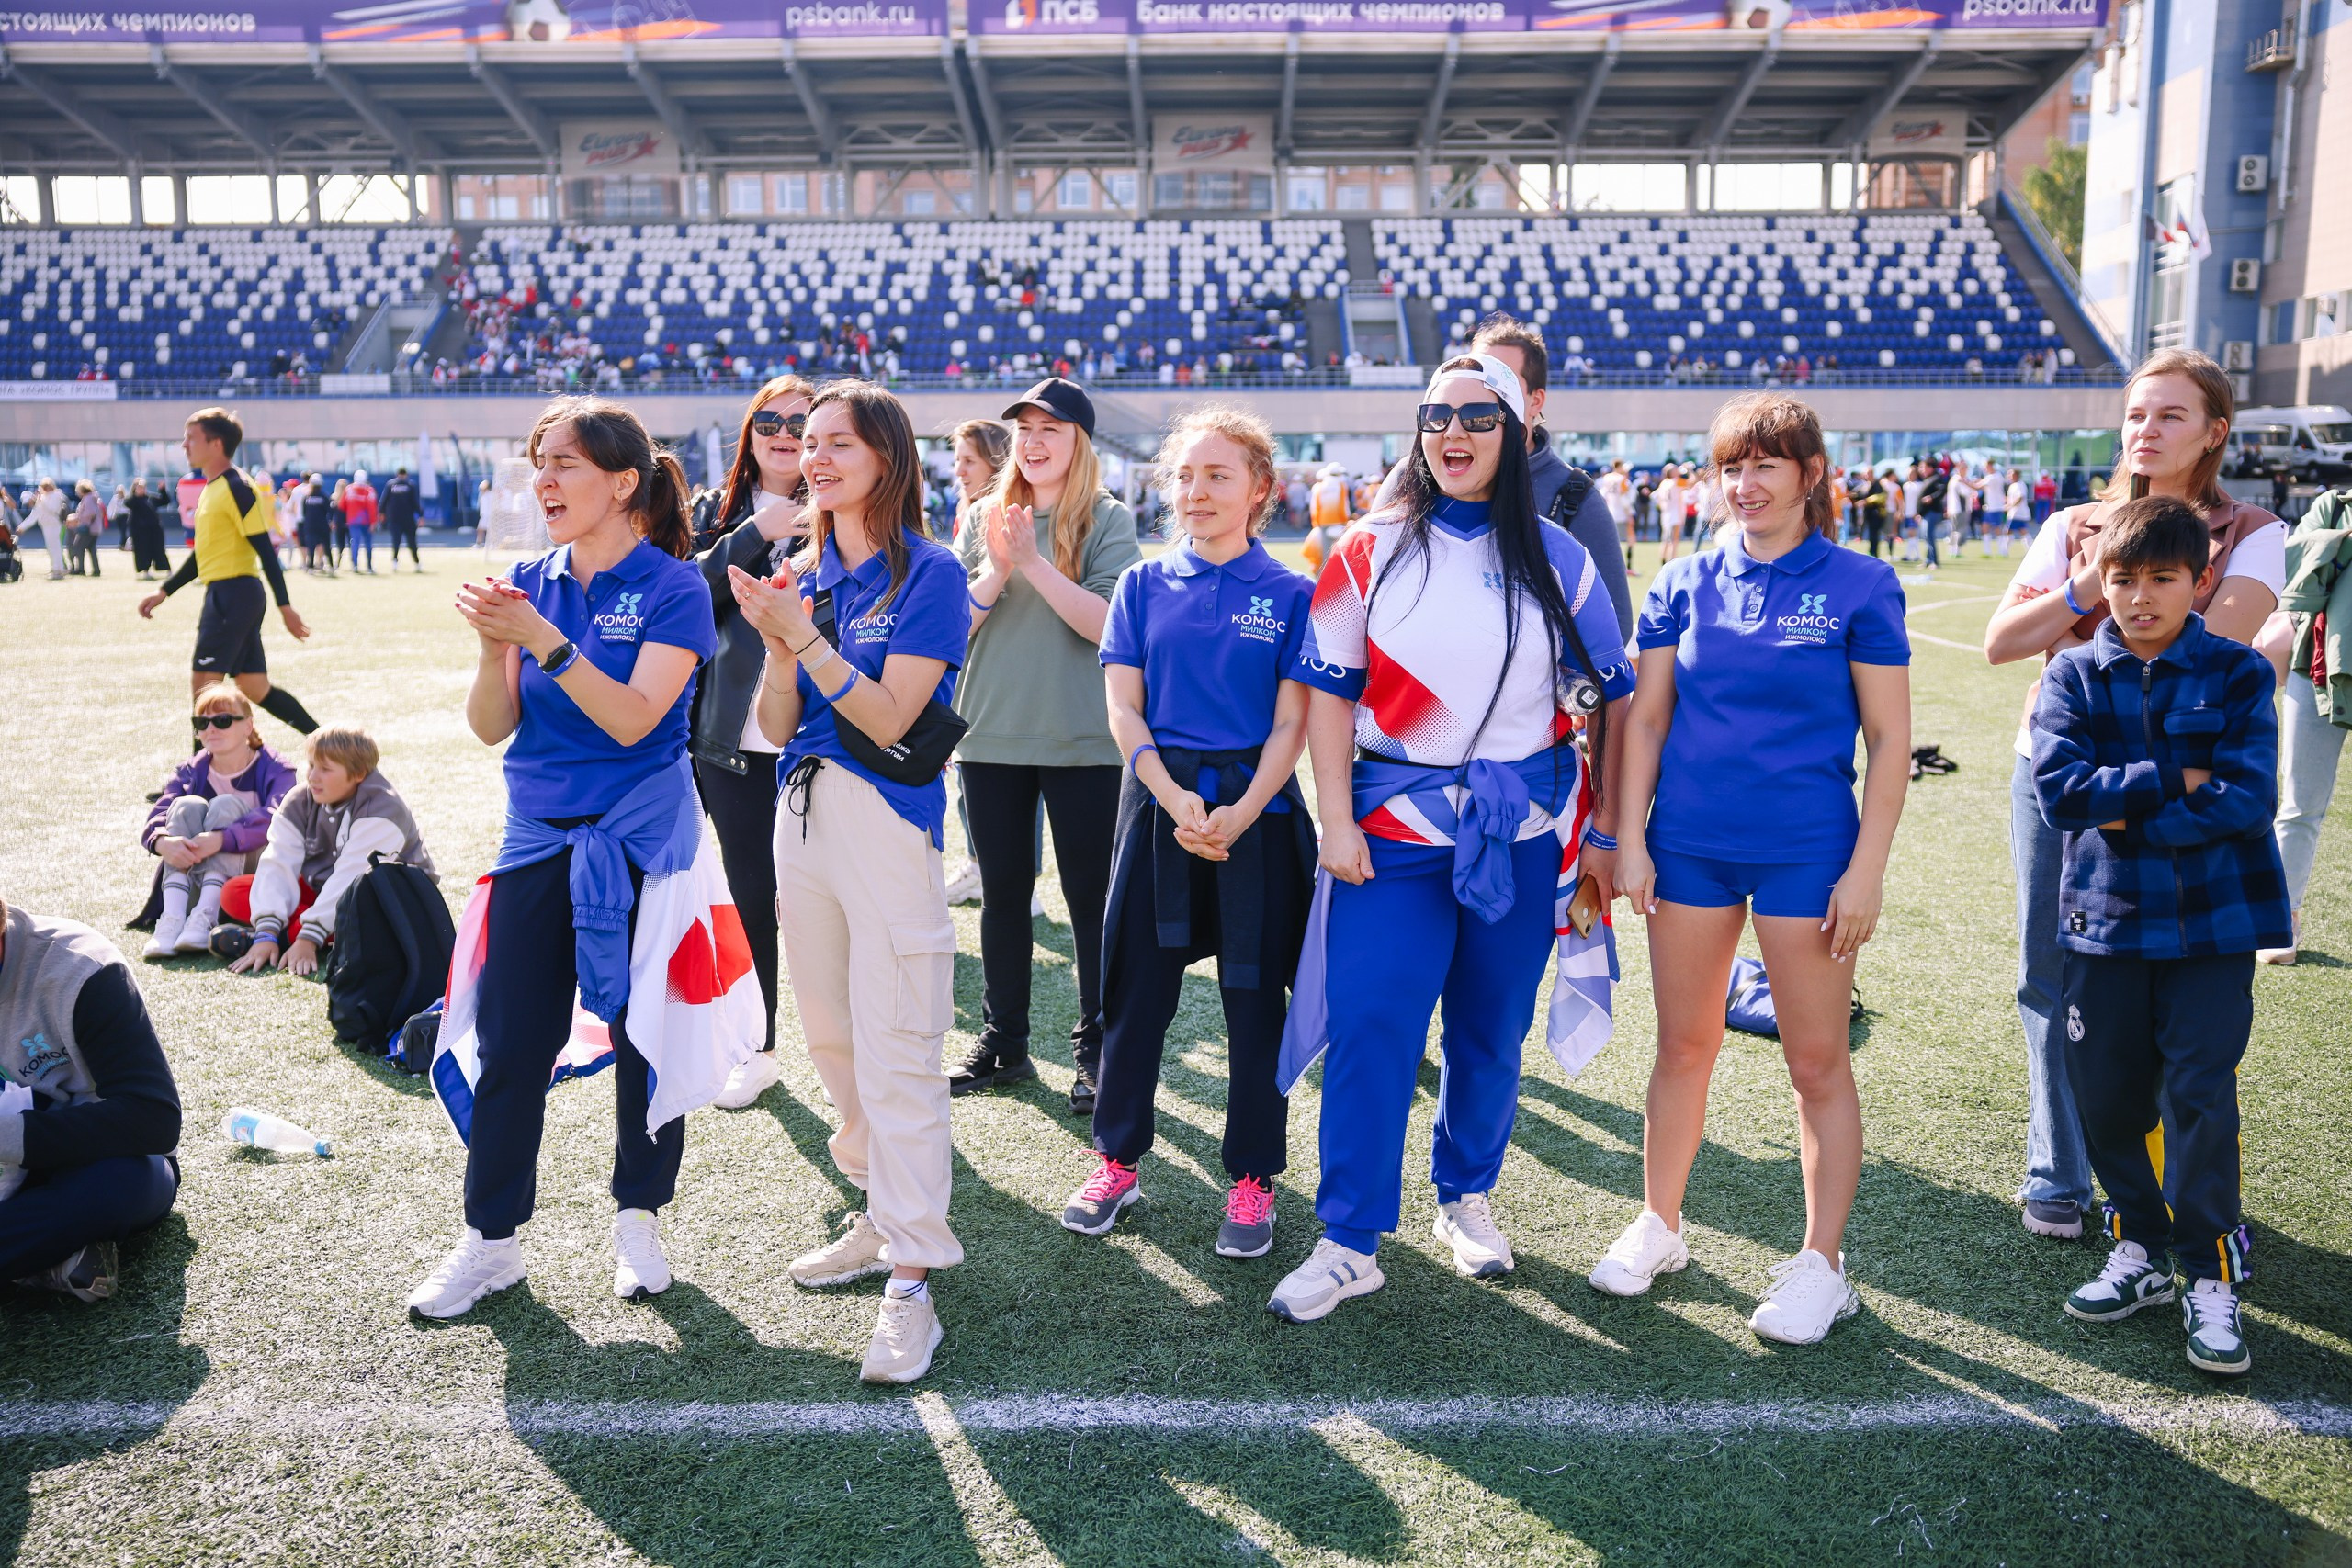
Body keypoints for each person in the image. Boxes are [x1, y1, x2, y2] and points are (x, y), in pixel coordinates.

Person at [1269, 353, 1634, 1324]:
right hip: (1387, 834)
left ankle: (1464, 1194)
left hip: (1521, 833)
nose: (1453, 433)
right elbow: (1327, 701)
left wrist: (1605, 831)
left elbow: (1615, 701)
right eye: (1435, 416)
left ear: (1514, 434)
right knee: (1372, 1021)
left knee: (1487, 1028)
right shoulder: (1365, 548)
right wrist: (1337, 822)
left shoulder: (1561, 561)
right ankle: (1348, 1239)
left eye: (1478, 415)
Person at [1592, 392, 1911, 1346]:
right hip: (1687, 843)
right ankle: (1661, 1225)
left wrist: (1865, 872)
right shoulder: (1681, 580)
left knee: (1815, 1062)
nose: (1745, 483)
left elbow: (1891, 743)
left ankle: (1822, 1265)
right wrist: (1633, 836)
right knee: (1683, 1046)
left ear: (1810, 475)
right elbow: (1644, 720)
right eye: (1731, 466)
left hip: (1807, 850)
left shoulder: (1860, 585)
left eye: (1766, 464)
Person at [408, 396, 717, 1321]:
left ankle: (639, 1225)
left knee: (646, 1043)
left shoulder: (675, 587)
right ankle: (491, 1243)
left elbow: (634, 717)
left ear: (623, 483)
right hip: (536, 842)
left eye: (565, 463)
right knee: (511, 1046)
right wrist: (487, 648)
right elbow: (491, 726)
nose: (543, 479)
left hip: (644, 844)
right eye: (538, 460)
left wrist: (541, 638)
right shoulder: (525, 579)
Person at [1982, 348, 2282, 1242]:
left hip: (2181, 795)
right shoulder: (2074, 525)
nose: (2144, 431)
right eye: (2136, 415)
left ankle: (2142, 1194)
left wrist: (2092, 619)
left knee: (2159, 986)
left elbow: (2201, 671)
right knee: (2049, 976)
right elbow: (2003, 641)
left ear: (2214, 432)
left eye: (2169, 416)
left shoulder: (2252, 530)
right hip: (2061, 783)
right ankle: (2057, 1176)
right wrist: (2090, 570)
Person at [727, 380, 970, 1385]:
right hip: (802, 809)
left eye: (838, 444)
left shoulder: (934, 574)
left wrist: (806, 635)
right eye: (806, 443)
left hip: (884, 818)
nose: (813, 458)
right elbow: (778, 725)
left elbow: (889, 720)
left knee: (900, 1041)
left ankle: (912, 1280)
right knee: (826, 1035)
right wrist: (783, 638)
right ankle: (879, 1211)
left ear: (887, 458)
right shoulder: (802, 570)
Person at [2031, 494, 2289, 1378]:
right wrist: (2175, 781)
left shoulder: (2239, 673)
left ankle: (2210, 1270)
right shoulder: (2071, 676)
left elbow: (2249, 799)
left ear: (2201, 579)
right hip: (2103, 928)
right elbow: (2062, 794)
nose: (2142, 597)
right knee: (2104, 1095)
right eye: (2124, 578)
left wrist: (2130, 815)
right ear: (2101, 584)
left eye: (2163, 578)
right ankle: (2138, 1242)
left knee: (2199, 1096)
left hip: (2214, 930)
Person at [1061, 406, 1316, 1260]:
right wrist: (1171, 797)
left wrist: (1243, 812)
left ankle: (1250, 1177)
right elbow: (1122, 708)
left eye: (1219, 475)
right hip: (1159, 805)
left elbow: (1291, 726)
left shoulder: (1291, 593)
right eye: (1185, 476)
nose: (1198, 492)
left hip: (1259, 813)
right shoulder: (1139, 585)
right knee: (1134, 998)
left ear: (1259, 491)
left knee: (1255, 1007)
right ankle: (1117, 1158)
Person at [949, 378, 1143, 1111]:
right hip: (990, 734)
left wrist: (1032, 562)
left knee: (1091, 902)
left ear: (1080, 443)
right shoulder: (984, 517)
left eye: (1050, 429)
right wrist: (998, 563)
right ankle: (1005, 1042)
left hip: (1085, 739)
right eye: (1024, 428)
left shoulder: (1108, 518)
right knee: (1002, 896)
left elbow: (1105, 625)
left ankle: (1096, 1048)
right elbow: (956, 626)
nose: (1032, 441)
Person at [687, 375, 815, 1110]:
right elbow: (684, 596)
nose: (783, 432)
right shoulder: (718, 512)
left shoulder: (846, 505)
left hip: (813, 740)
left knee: (823, 903)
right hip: (727, 742)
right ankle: (756, 1044)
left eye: (800, 420)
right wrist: (755, 532)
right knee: (746, 894)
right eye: (768, 418)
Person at [0, 890, 183, 1303]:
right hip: (16, 1183)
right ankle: (42, 1263)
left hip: (96, 1161)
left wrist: (11, 1138)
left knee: (122, 1184)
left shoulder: (79, 966)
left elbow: (154, 1118)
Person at [135, 408, 320, 735]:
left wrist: (285, 607)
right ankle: (330, 742)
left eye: (191, 438)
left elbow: (265, 549)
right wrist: (164, 590)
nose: (184, 445)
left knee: (204, 689)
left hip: (233, 596)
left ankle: (198, 782)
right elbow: (203, 555)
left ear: (216, 444)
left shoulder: (237, 487)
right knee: (255, 687)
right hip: (230, 594)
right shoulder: (212, 488)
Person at [216, 726, 438, 975]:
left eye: (326, 769)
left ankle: (297, 934)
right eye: (311, 765)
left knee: (365, 922)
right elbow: (277, 862)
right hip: (325, 890)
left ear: (359, 774)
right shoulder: (300, 800)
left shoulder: (383, 808)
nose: (313, 777)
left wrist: (308, 938)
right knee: (233, 892)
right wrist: (265, 932)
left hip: (383, 900)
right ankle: (280, 936)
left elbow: (351, 877)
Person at [139, 684, 296, 960]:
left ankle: (206, 916)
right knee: (186, 805)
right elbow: (161, 811)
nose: (211, 729)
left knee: (226, 805)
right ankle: (171, 919)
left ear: (248, 725)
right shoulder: (191, 769)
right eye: (202, 722)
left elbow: (278, 816)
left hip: (250, 884)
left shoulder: (277, 768)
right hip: (192, 879)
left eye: (222, 720)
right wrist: (162, 841)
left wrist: (221, 839)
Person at [2265, 488, 2352, 965]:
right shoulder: (2335, 504)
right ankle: (2282, 921)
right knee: (2299, 804)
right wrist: (2342, 537)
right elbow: (2291, 569)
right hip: (2317, 667)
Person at [941, 417, 1014, 908]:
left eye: (968, 459)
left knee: (987, 779)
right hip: (966, 665)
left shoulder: (997, 518)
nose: (958, 470)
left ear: (994, 460)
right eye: (956, 460)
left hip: (989, 672)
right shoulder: (968, 513)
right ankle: (986, 866)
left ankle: (991, 870)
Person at [1303, 463, 1350, 573]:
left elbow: (1314, 506)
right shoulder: (1341, 485)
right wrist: (1345, 520)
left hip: (1322, 522)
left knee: (1324, 552)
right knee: (1339, 551)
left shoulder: (1319, 486)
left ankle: (1322, 575)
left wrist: (1316, 523)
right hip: (1339, 521)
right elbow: (1344, 505)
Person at [21, 479, 65, 581]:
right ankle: (56, 569)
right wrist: (22, 526)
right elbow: (34, 515)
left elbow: (52, 509)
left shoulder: (56, 496)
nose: (45, 489)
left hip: (53, 525)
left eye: (46, 487)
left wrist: (41, 500)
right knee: (51, 548)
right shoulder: (43, 498)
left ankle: (58, 570)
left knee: (55, 548)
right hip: (46, 525)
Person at [381, 466, 424, 571]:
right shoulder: (410, 485)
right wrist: (420, 516)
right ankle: (416, 563)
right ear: (406, 475)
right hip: (407, 519)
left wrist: (381, 513)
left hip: (395, 519)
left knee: (397, 541)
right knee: (411, 542)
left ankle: (396, 562)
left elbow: (383, 501)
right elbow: (416, 503)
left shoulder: (391, 484)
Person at [125, 479, 168, 580]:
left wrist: (162, 490)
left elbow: (165, 501)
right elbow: (127, 503)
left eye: (143, 488)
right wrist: (136, 495)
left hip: (154, 529)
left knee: (158, 549)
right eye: (139, 488)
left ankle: (166, 569)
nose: (142, 490)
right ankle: (145, 570)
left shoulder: (150, 498)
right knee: (142, 551)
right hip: (140, 531)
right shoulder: (133, 500)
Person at [342, 468, 379, 575]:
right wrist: (373, 522)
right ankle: (369, 566)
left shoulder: (348, 489)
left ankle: (355, 565)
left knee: (355, 543)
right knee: (368, 544)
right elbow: (372, 507)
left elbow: (342, 506)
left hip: (353, 520)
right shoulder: (369, 490)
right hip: (366, 521)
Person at [298, 474, 334, 575]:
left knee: (311, 547)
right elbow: (329, 511)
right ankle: (330, 566)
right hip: (322, 525)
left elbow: (304, 512)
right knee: (326, 546)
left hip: (310, 526)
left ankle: (310, 567)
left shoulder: (307, 497)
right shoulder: (324, 496)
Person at [66, 479, 104, 577]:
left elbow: (89, 513)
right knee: (92, 549)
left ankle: (80, 569)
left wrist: (77, 518)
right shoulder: (94, 498)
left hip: (88, 528)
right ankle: (96, 570)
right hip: (95, 528)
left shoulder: (88, 498)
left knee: (78, 548)